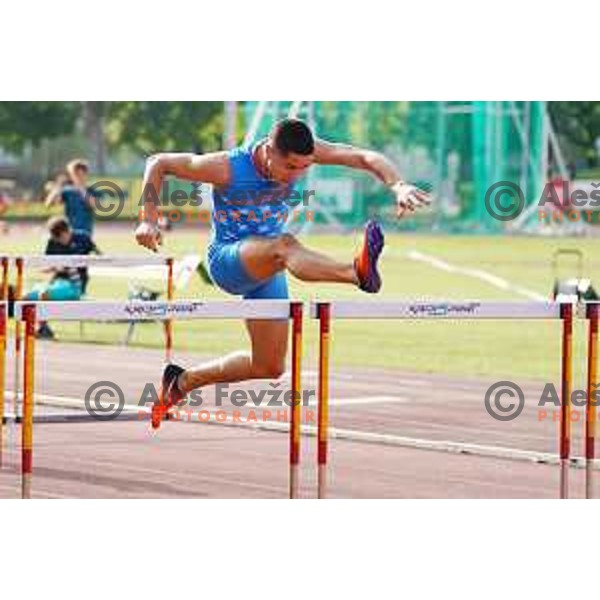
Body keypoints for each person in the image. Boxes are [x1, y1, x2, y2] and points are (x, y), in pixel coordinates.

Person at [135, 118, 430, 428]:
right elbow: (159, 163)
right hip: (228, 260)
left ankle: (181, 382)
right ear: (269, 151)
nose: (297, 176)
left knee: (269, 366)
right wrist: (148, 219)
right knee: (286, 246)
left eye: (305, 168)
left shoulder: (306, 154)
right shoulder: (227, 167)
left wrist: (398, 184)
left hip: (268, 266)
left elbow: (364, 157)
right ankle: (356, 273)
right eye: (291, 167)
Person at [24, 216, 100, 339]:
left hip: (75, 284)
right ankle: (42, 328)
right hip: (57, 282)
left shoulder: (83, 238)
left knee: (44, 294)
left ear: (67, 231)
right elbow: (45, 266)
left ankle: (42, 329)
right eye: (56, 239)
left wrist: (76, 265)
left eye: (61, 238)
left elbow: (100, 257)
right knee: (28, 295)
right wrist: (56, 268)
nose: (59, 241)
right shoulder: (52, 242)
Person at [45, 159, 100, 292]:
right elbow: (50, 203)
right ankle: (58, 288)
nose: (78, 177)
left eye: (81, 174)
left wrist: (81, 188)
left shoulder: (91, 190)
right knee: (63, 263)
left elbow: (94, 205)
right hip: (67, 234)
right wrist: (58, 187)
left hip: (84, 234)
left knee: (80, 267)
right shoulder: (67, 191)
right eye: (75, 174)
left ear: (86, 174)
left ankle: (79, 290)